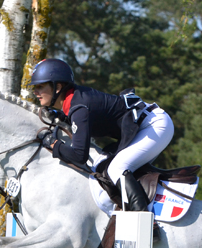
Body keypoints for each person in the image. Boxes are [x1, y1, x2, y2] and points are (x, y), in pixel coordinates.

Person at [31, 59, 175, 220]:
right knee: (101, 164)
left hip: (154, 126)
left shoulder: (79, 107)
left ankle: (144, 223)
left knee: (117, 169)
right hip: (144, 125)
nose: (35, 92)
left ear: (57, 87)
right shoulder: (75, 101)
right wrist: (60, 116)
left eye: (40, 86)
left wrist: (53, 144)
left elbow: (79, 155)